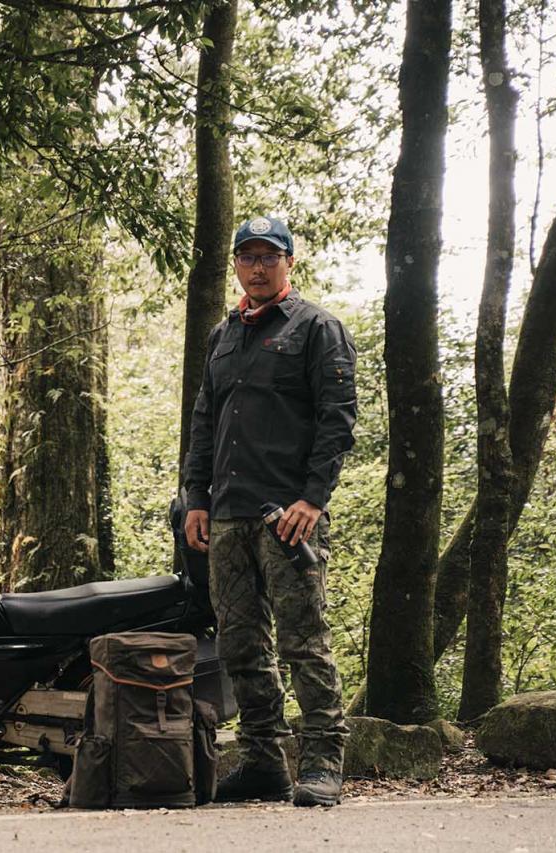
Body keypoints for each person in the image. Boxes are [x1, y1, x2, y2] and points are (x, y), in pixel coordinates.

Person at [183, 215, 357, 808]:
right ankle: (264, 761)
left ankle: (323, 763)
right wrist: (197, 497)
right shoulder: (224, 335)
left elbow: (337, 420)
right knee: (238, 644)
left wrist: (313, 497)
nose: (258, 267)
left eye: (269, 257)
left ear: (289, 262)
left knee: (303, 640)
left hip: (288, 514)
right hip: (227, 513)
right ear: (236, 264)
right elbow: (205, 421)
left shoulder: (317, 328)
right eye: (248, 257)